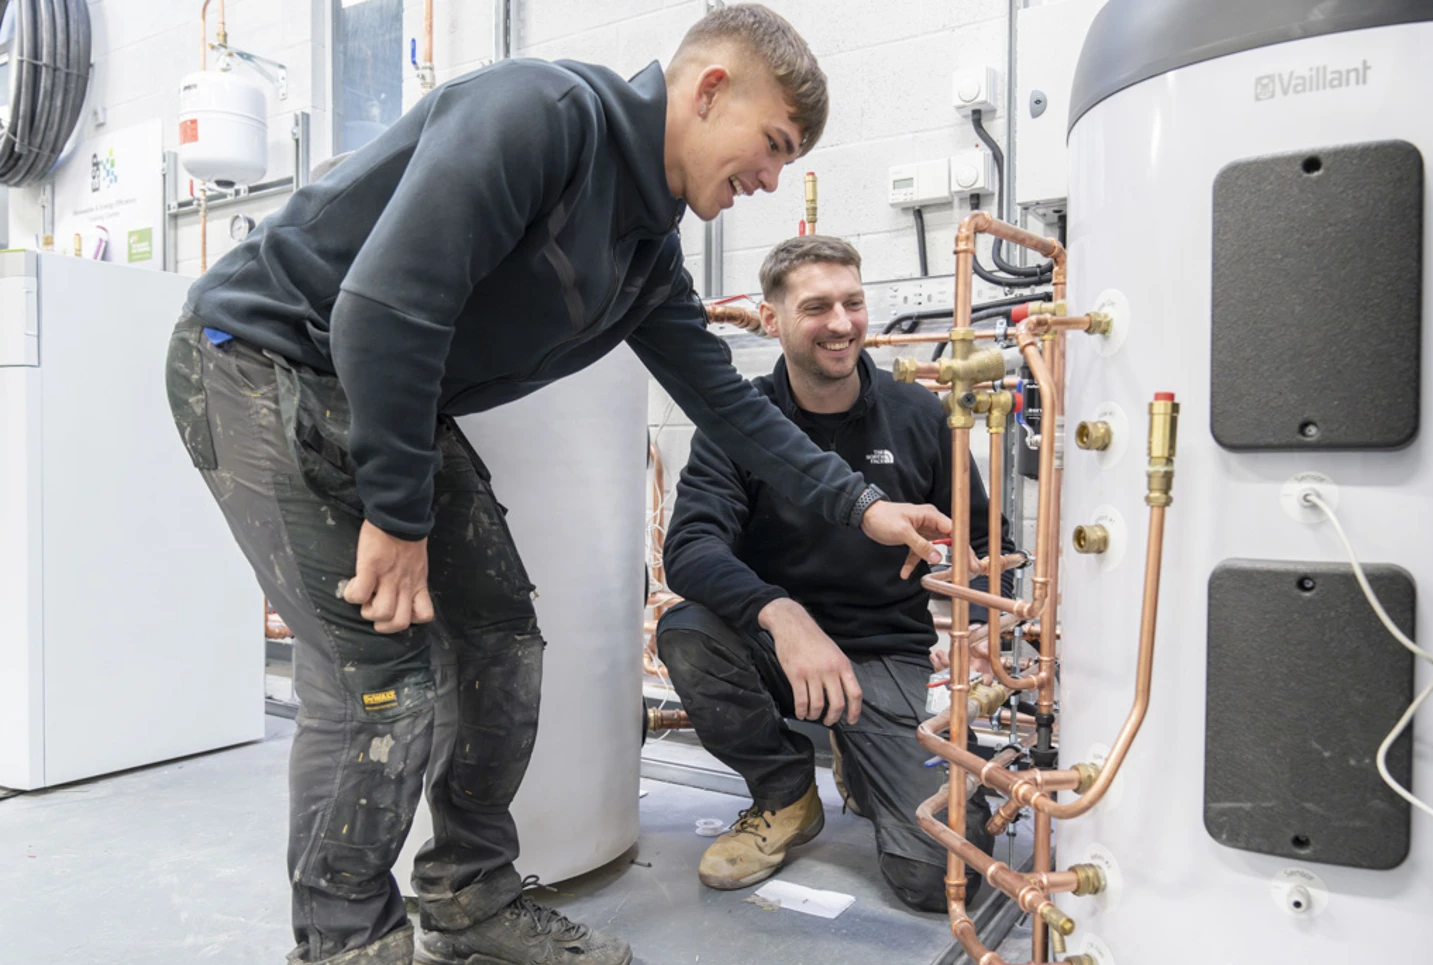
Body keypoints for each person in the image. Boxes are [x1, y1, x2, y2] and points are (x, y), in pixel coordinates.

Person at [162, 7, 954, 965]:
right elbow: (380, 309)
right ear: (709, 92)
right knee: (380, 682)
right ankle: (345, 944)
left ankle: (469, 895)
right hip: (259, 358)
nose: (771, 179)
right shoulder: (543, 114)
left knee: (502, 638)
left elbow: (735, 411)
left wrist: (862, 504)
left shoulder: (645, 251)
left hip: (382, 392)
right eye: (773, 144)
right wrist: (397, 513)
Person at [655, 235, 1018, 912]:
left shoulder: (918, 415)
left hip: (885, 654)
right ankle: (784, 791)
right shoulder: (740, 421)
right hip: (773, 649)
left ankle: (866, 757)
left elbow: (985, 540)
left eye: (853, 302)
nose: (843, 323)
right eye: (817, 306)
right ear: (772, 321)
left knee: (944, 876)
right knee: (687, 629)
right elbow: (692, 548)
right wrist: (781, 613)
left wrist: (967, 575)